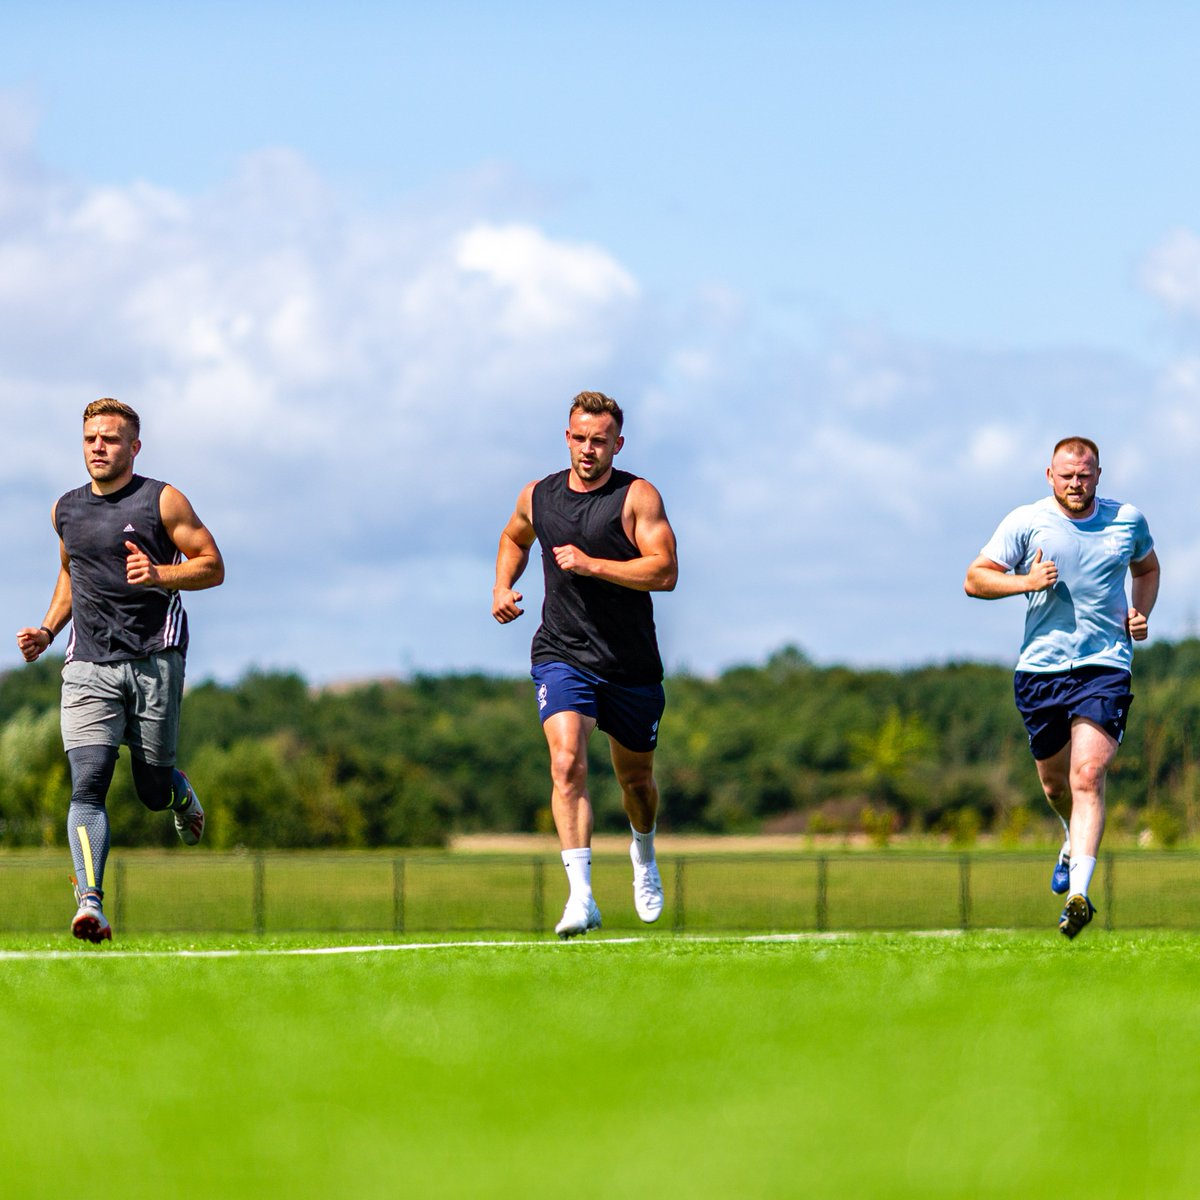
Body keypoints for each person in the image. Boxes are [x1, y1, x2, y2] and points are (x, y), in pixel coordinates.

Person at [16, 398, 225, 944]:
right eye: (90, 439)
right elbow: (70, 574)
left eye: (110, 439)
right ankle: (91, 904)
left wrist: (159, 573)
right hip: (87, 664)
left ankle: (177, 792)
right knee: (88, 785)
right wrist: (48, 630)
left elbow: (213, 565)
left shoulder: (163, 500)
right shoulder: (66, 509)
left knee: (150, 790)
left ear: (134, 446)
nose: (98, 448)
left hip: (155, 657)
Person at [493, 391, 678, 938]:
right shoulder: (539, 495)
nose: (589, 449)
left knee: (637, 783)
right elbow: (513, 536)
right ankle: (582, 897)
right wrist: (503, 585)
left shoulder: (637, 497)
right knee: (566, 762)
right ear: (567, 437)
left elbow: (664, 572)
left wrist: (593, 564)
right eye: (580, 438)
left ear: (617, 444)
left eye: (600, 440)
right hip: (562, 653)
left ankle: (642, 853)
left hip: (629, 665)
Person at [964, 436, 1159, 939]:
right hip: (1041, 672)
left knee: (1088, 775)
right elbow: (975, 578)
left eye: (1085, 475)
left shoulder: (1127, 521)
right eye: (1067, 475)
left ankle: (1079, 895)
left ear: (1099, 475)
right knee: (1055, 786)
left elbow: (1148, 568)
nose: (1076, 484)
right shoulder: (1027, 521)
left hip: (1105, 667)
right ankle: (1070, 837)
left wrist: (1141, 613)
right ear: (1049, 475)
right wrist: (1025, 583)